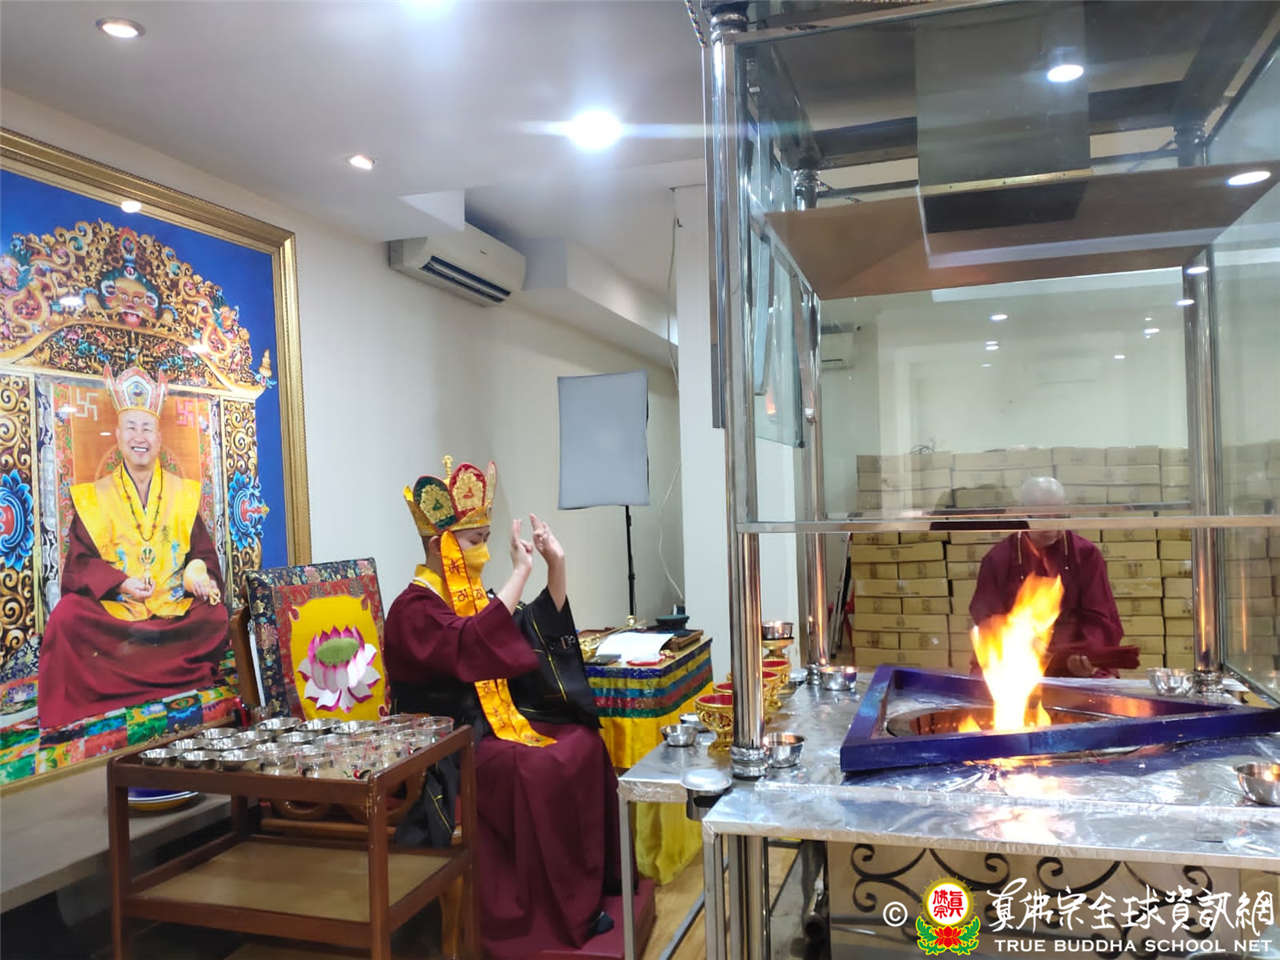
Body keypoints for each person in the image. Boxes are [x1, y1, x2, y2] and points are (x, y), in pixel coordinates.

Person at [384, 457, 621, 960]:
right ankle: (553, 912)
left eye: (487, 538)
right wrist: (520, 571)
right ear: (440, 546)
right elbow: (474, 642)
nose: (485, 551)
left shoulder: (468, 596)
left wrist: (555, 567)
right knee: (541, 766)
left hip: (488, 724)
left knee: (581, 742)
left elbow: (522, 631)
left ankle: (589, 887)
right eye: (475, 540)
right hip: (446, 747)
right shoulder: (413, 608)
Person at [37, 365, 228, 729]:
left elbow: (202, 553)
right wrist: (120, 583)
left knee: (215, 616)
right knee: (66, 618)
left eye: (147, 428)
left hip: (173, 609)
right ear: (118, 435)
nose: (139, 437)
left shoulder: (183, 493)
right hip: (119, 614)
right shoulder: (94, 497)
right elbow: (79, 564)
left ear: (159, 437)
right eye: (131, 427)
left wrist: (198, 573)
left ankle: (120, 681)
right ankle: (169, 677)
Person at [969, 476, 1134, 678]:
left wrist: (1088, 656)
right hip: (1015, 662)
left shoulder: (1085, 555)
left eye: (1056, 515)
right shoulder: (998, 559)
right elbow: (986, 618)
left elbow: (1100, 618)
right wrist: (1019, 641)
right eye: (1039, 516)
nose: (1048, 525)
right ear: (1021, 512)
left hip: (1073, 663)